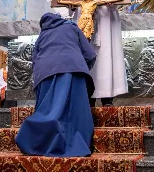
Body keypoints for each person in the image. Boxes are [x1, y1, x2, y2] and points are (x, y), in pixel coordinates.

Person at [15, 12, 96, 157]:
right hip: (73, 69)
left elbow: (35, 60)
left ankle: (39, 141)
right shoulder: (72, 27)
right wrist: (83, 67)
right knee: (76, 111)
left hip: (45, 73)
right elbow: (89, 54)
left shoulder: (42, 36)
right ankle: (77, 144)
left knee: (49, 108)